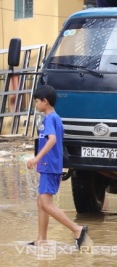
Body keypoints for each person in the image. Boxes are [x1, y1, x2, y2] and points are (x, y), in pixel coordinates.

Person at [26, 85, 89, 249]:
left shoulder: (49, 119)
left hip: (48, 165)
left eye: (37, 101)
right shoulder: (55, 118)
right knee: (41, 202)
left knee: (46, 204)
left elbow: (52, 140)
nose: (36, 104)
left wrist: (36, 159)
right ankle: (42, 239)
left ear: (45, 102)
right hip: (50, 165)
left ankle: (77, 229)